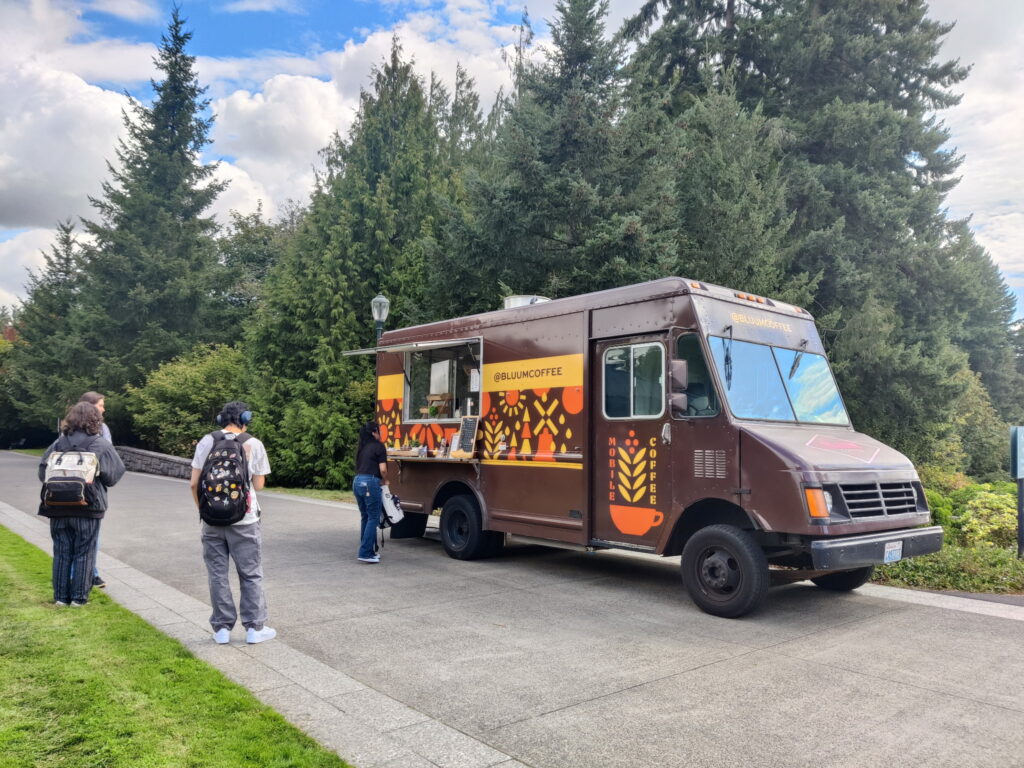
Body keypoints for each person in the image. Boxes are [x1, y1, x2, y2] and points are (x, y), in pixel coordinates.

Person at [189, 401, 276, 645]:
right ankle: (254, 628)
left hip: (211, 522)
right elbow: (258, 485)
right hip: (245, 519)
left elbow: (194, 484)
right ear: (246, 417)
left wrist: (205, 510)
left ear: (221, 419)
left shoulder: (207, 441)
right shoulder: (253, 443)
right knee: (250, 573)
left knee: (217, 574)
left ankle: (222, 629)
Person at [38, 402, 125, 606]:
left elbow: (43, 472)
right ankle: (78, 598)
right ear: (96, 421)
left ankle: (61, 597)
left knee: (62, 551)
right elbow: (114, 475)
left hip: (57, 506)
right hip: (89, 506)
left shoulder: (58, 444)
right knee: (84, 552)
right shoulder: (100, 444)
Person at [77, 391, 110, 588]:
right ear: (91, 406)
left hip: (66, 490)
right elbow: (109, 459)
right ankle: (90, 575)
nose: (103, 409)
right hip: (91, 491)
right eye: (100, 405)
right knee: (90, 535)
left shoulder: (67, 429)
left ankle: (86, 574)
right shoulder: (101, 430)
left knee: (72, 539)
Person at [353, 421, 388, 563]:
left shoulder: (362, 447)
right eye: (379, 430)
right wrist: (385, 480)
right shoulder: (379, 447)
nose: (380, 433)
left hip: (357, 482)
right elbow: (383, 469)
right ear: (374, 432)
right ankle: (365, 552)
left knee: (365, 517)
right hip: (370, 483)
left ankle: (369, 550)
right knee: (373, 517)